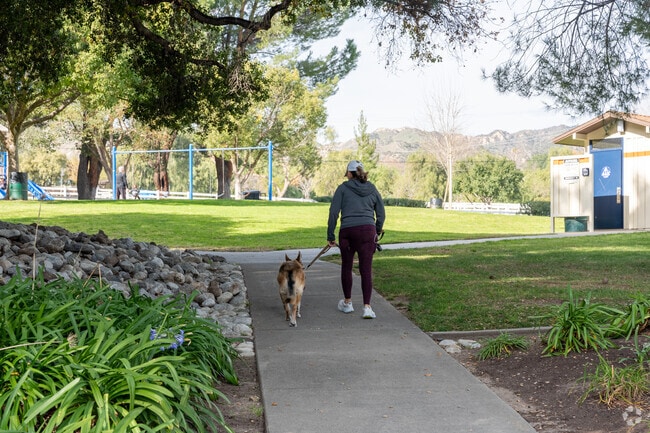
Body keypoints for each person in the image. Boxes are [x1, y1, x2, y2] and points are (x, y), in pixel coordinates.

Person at [327, 160, 385, 319]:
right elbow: (381, 212)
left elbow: (333, 212)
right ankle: (367, 307)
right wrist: (378, 229)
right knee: (366, 269)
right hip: (368, 231)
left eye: (347, 174)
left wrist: (330, 235)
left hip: (347, 231)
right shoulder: (372, 188)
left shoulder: (343, 188)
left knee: (347, 266)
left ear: (350, 173)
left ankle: (347, 303)